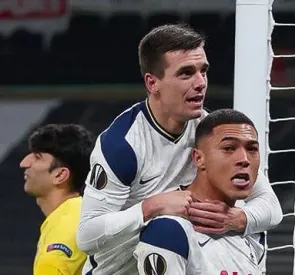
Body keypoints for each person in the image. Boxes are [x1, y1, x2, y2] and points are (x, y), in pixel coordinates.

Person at [77, 23, 282, 274]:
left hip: (174, 259)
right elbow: (87, 236)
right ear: (153, 83)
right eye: (186, 73)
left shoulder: (211, 133)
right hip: (117, 270)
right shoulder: (123, 146)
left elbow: (269, 206)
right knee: (165, 229)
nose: (200, 83)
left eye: (203, 71)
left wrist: (238, 219)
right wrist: (151, 207)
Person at [134, 109, 267, 274]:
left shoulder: (252, 232)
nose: (244, 159)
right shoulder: (168, 230)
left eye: (252, 149)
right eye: (229, 148)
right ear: (198, 158)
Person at [20, 124, 94, 275]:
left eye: (37, 157)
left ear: (60, 175)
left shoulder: (67, 221)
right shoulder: (78, 213)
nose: (24, 163)